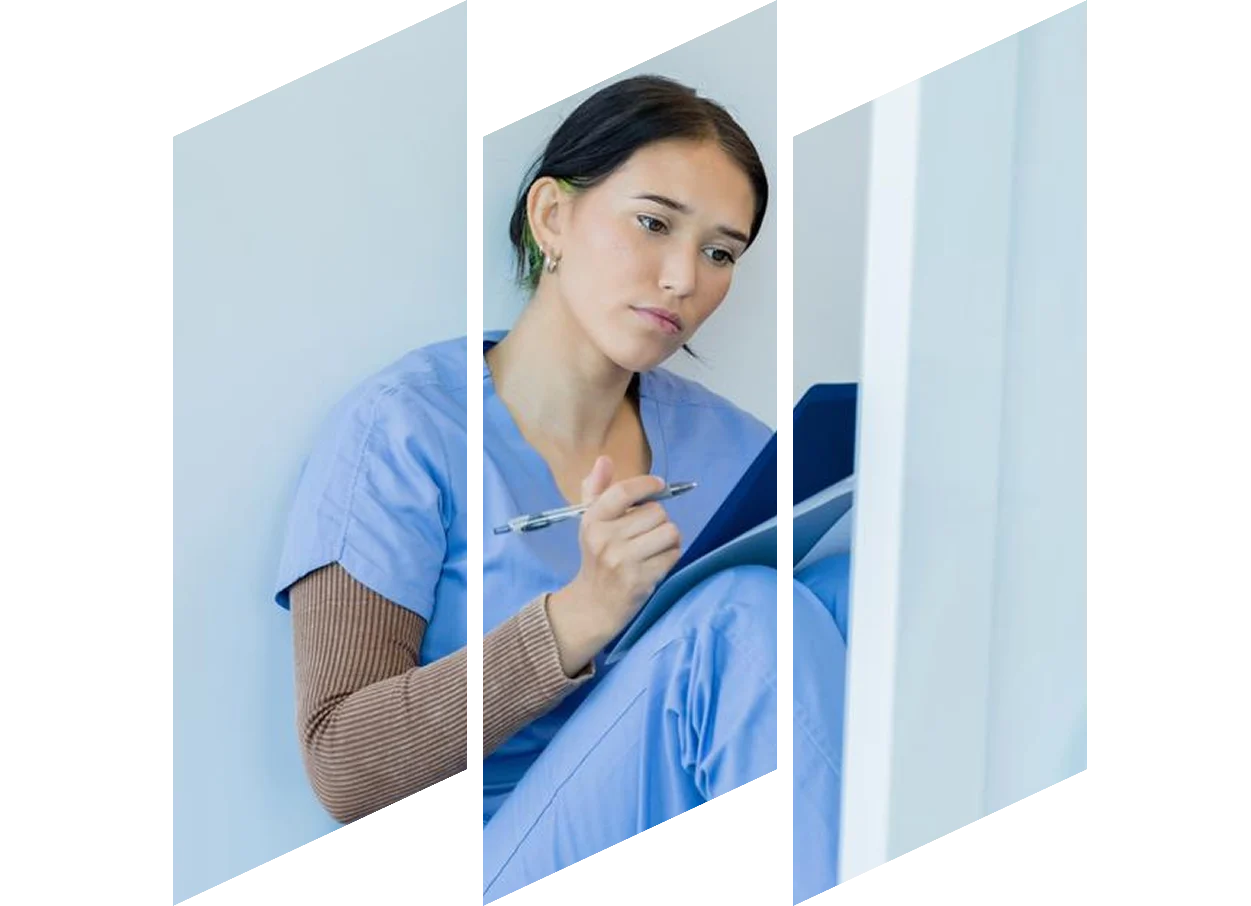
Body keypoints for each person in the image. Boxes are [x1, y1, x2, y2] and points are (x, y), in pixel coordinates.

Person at [270, 74, 848, 903]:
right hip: (500, 854)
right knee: (746, 614)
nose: (685, 277)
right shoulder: (403, 431)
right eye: (653, 223)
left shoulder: (737, 447)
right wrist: (577, 617)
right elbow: (342, 764)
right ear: (553, 217)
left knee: (843, 588)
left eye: (721, 252)